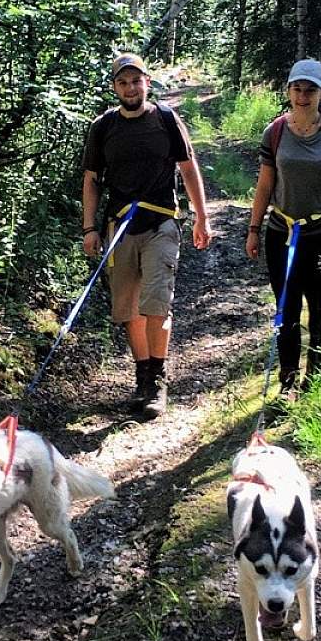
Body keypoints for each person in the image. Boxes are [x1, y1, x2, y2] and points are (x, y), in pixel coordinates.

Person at [82, 54, 212, 418]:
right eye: (123, 83)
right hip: (120, 226)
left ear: (147, 83)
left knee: (156, 303)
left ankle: (157, 378)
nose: (130, 88)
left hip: (162, 223)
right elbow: (91, 180)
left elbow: (188, 168)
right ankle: (142, 377)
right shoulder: (103, 127)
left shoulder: (166, 120)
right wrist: (89, 228)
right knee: (128, 309)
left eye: (136, 81)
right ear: (114, 87)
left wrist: (202, 217)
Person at [244, 58, 321, 396]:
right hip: (281, 231)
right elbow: (264, 185)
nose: (303, 96)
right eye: (297, 89)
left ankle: (315, 379)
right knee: (286, 306)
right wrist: (253, 228)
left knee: (319, 304)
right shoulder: (276, 131)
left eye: (310, 90)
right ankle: (287, 380)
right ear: (288, 91)